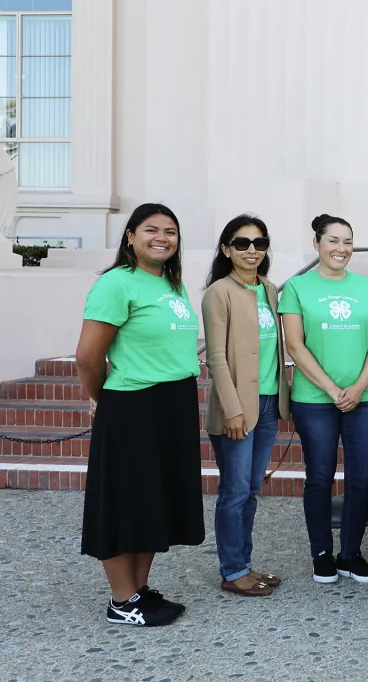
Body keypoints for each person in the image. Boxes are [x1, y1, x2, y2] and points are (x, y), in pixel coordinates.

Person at [76, 203, 203, 626]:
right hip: (132, 405)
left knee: (155, 500)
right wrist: (105, 398)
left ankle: (138, 590)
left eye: (171, 231)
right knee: (122, 501)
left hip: (174, 403)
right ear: (130, 236)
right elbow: (88, 357)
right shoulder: (116, 283)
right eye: (151, 230)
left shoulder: (172, 283)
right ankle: (121, 600)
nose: (162, 237)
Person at [280, 214, 368, 585]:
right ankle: (322, 554)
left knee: (360, 479)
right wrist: (331, 389)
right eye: (333, 241)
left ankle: (351, 554)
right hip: (315, 399)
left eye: (347, 241)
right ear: (317, 244)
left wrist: (359, 386)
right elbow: (295, 344)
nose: (341, 248)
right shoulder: (297, 288)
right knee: (320, 477)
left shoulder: (365, 287)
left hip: (365, 397)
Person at [201, 214, 290, 597]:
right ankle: (233, 570)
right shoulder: (218, 292)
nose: (251, 250)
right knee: (234, 491)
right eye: (242, 243)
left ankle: (245, 565)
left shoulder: (269, 289)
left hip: (268, 403)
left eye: (259, 242)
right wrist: (232, 409)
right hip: (237, 407)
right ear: (226, 249)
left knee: (252, 489)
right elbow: (216, 358)